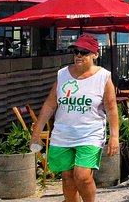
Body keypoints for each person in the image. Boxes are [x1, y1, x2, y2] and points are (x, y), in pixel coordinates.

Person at [30, 34, 119, 202]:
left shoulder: (103, 77)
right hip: (63, 134)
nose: (78, 55)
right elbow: (50, 104)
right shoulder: (62, 75)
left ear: (95, 55)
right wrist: (36, 133)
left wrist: (114, 136)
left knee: (83, 176)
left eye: (84, 52)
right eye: (76, 51)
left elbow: (111, 108)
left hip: (90, 134)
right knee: (68, 178)